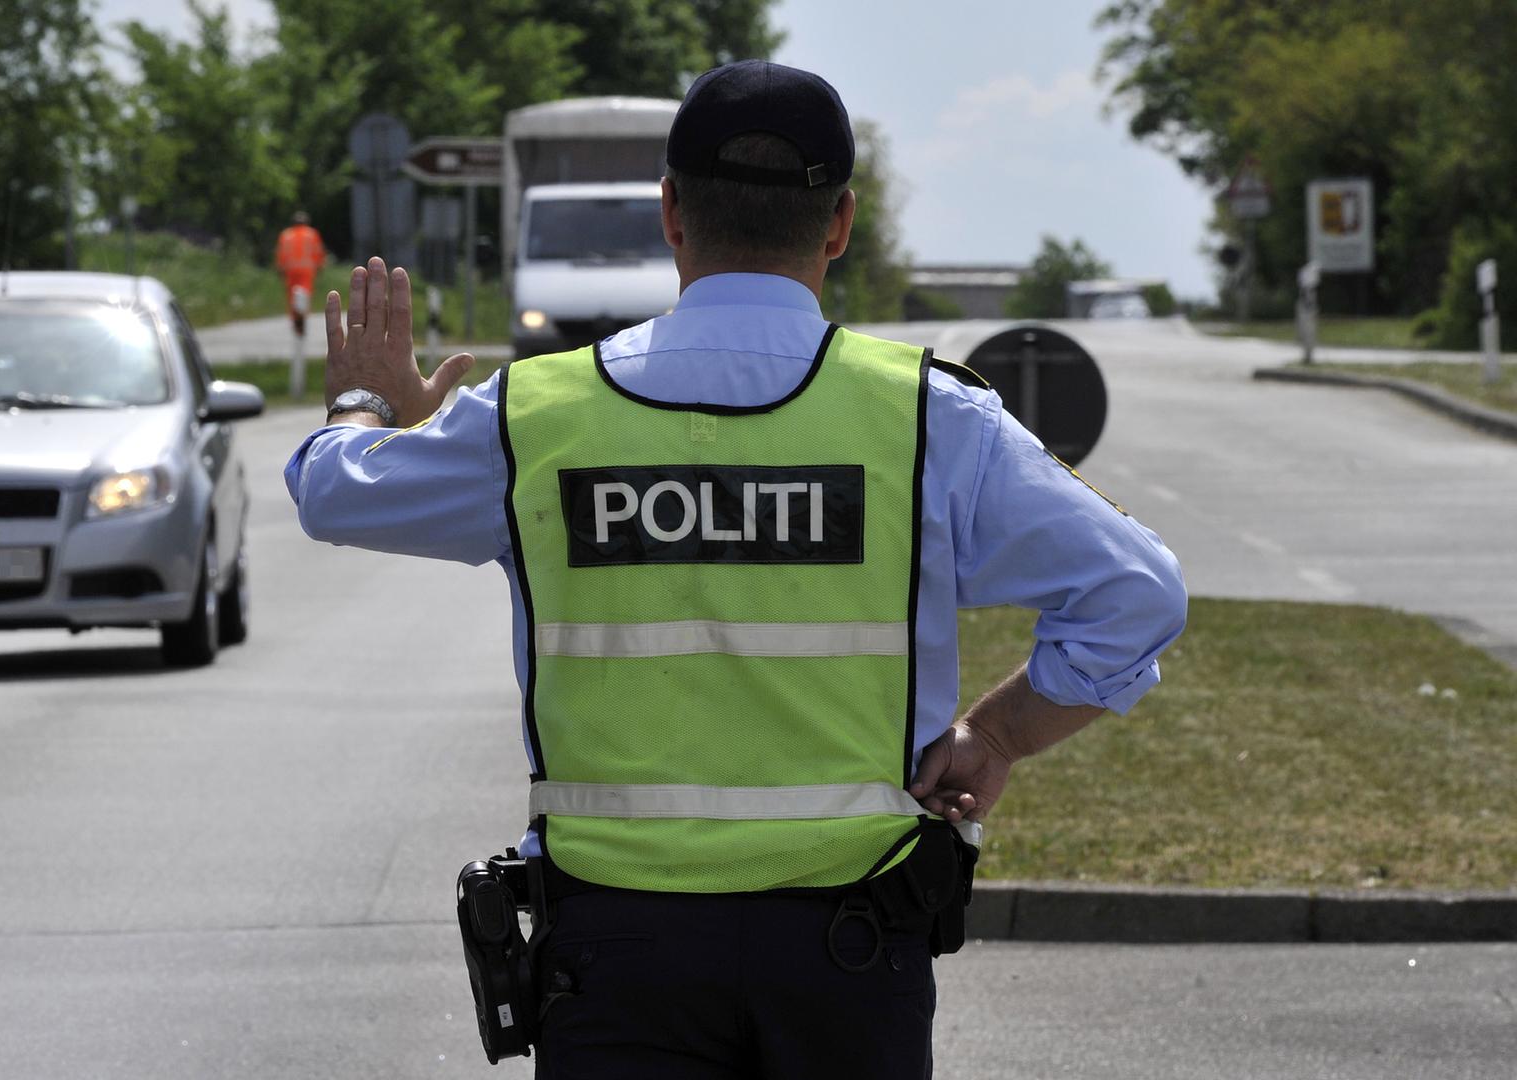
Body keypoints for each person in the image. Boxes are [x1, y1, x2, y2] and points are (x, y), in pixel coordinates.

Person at [286, 60, 1186, 1079]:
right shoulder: (931, 419)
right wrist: (1002, 734)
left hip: (619, 963)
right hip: (849, 956)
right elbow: (1138, 594)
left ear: (670, 213)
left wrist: (368, 405)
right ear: (839, 223)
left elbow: (336, 492)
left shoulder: (537, 416)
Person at [274, 210, 326, 339]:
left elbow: (280, 253)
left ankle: (296, 321)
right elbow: (318, 251)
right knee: (305, 294)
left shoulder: (285, 235)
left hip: (290, 270)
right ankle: (302, 319)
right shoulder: (312, 234)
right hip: (307, 270)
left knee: (292, 296)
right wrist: (320, 266)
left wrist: (280, 269)